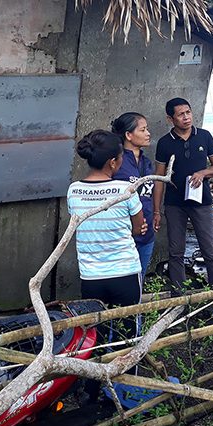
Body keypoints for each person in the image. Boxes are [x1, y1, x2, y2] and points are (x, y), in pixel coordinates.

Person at [67, 130, 146, 315]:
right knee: (128, 332)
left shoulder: (74, 190)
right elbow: (138, 227)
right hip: (125, 273)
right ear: (112, 162)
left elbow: (80, 223)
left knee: (96, 332)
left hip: (91, 276)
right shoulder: (126, 190)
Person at [153, 97, 213, 293]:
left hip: (201, 202)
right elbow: (159, 179)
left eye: (188, 112)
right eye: (180, 114)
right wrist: (156, 211)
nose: (186, 117)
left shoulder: (204, 136)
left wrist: (203, 173)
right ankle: (180, 297)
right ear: (171, 119)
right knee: (176, 252)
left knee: (210, 251)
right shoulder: (164, 143)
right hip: (174, 204)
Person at [111, 112, 155, 277]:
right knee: (121, 280)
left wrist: (155, 213)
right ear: (128, 135)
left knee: (139, 278)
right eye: (143, 130)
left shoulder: (147, 162)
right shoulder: (116, 163)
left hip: (147, 233)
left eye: (147, 129)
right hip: (123, 235)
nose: (148, 133)